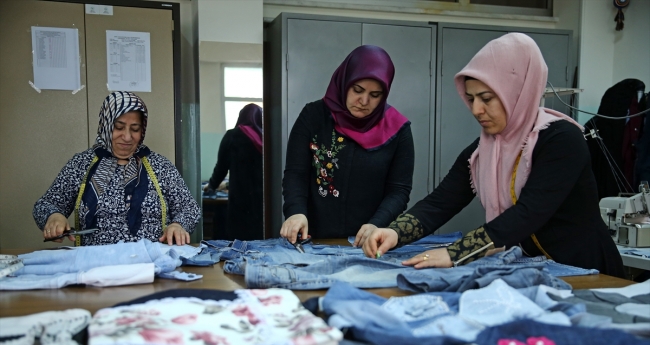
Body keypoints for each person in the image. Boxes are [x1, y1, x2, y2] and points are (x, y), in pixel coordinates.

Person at [362, 33, 625, 277]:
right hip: (536, 270)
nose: (476, 109)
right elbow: (441, 202)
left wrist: (457, 252)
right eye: (471, 99)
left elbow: (528, 213)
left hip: (586, 271)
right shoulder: (484, 150)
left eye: (486, 98)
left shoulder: (562, 140)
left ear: (516, 91)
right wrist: (395, 233)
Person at [280, 45, 414, 245]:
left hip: (369, 241)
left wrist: (377, 224)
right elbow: (296, 173)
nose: (364, 101)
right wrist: (295, 211)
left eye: (375, 95)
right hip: (312, 238)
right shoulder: (314, 116)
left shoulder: (398, 129)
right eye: (357, 90)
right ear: (344, 82)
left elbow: (399, 190)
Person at [33, 91, 200, 246]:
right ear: (105, 125)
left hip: (150, 262)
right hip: (96, 264)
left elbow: (189, 208)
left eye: (135, 129)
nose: (127, 137)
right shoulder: (81, 164)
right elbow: (45, 204)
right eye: (118, 127)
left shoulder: (160, 166)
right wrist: (54, 216)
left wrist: (178, 225)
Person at [204, 103, 264, 240]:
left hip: (240, 198)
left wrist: (212, 186)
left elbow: (221, 168)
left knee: (238, 238)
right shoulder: (265, 138)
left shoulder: (232, 136)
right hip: (262, 200)